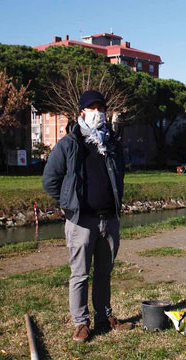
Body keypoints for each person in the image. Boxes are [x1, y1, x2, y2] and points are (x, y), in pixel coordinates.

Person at [42, 90, 132, 343]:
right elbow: (50, 180)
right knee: (80, 275)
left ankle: (105, 318)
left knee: (104, 273)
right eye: (91, 108)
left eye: (100, 107)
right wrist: (68, 204)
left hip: (109, 220)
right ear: (81, 112)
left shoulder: (111, 143)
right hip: (81, 221)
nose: (96, 112)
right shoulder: (69, 144)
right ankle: (81, 323)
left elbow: (119, 176)